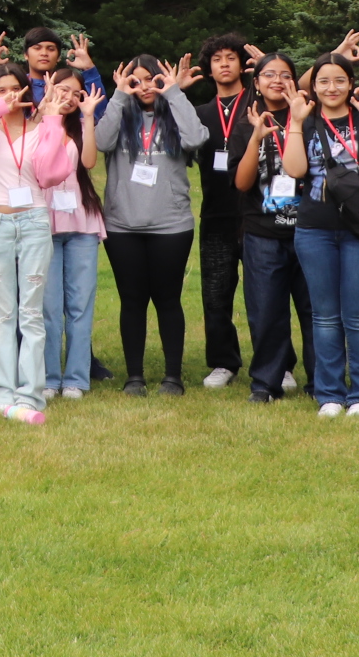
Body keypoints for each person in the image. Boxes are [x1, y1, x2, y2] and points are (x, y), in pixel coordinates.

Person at [0, 66, 79, 425]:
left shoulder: (42, 129)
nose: (10, 95)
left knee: (31, 313)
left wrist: (52, 119)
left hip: (34, 220)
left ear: (28, 91)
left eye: (16, 88)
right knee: (5, 313)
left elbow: (51, 173)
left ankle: (31, 393)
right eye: (2, 90)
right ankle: (4, 393)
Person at [280, 54, 359, 417]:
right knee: (325, 316)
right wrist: (295, 123)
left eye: (339, 80)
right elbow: (294, 170)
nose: (332, 88)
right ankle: (329, 394)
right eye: (324, 81)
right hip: (315, 229)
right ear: (313, 86)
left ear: (351, 84)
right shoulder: (305, 119)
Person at [96, 54, 209, 397]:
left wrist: (174, 93)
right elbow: (101, 142)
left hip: (170, 224)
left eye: (153, 79)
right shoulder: (119, 112)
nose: (145, 86)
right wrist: (118, 95)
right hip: (123, 224)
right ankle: (134, 377)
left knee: (168, 300)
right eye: (137, 80)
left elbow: (196, 138)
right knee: (132, 301)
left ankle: (173, 377)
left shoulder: (176, 111)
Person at [233, 53, 314, 404]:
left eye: (284, 75)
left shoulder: (309, 118)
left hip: (310, 231)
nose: (277, 81)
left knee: (315, 311)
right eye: (269, 74)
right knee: (266, 311)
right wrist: (255, 138)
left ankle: (321, 382)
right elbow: (241, 183)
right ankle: (266, 383)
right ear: (256, 82)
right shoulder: (245, 123)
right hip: (262, 232)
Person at [187, 32, 254, 388]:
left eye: (231, 57)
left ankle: (278, 362)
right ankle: (223, 362)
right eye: (217, 59)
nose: (224, 64)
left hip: (257, 214)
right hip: (216, 213)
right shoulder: (198, 114)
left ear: (242, 65)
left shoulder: (257, 103)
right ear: (209, 68)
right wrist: (175, 90)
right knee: (215, 293)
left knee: (264, 293)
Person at [41, 68, 108, 400]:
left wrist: (89, 118)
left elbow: (90, 161)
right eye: (61, 89)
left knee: (80, 305)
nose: (67, 97)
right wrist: (47, 109)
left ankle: (77, 379)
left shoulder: (83, 126)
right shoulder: (39, 123)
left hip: (82, 223)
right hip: (46, 223)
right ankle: (49, 378)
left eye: (74, 92)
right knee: (49, 308)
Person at [0, 27, 107, 103]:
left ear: (58, 57)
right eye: (37, 48)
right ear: (26, 54)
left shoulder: (66, 88)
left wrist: (89, 69)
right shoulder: (16, 85)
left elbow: (98, 112)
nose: (44, 53)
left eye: (51, 49)